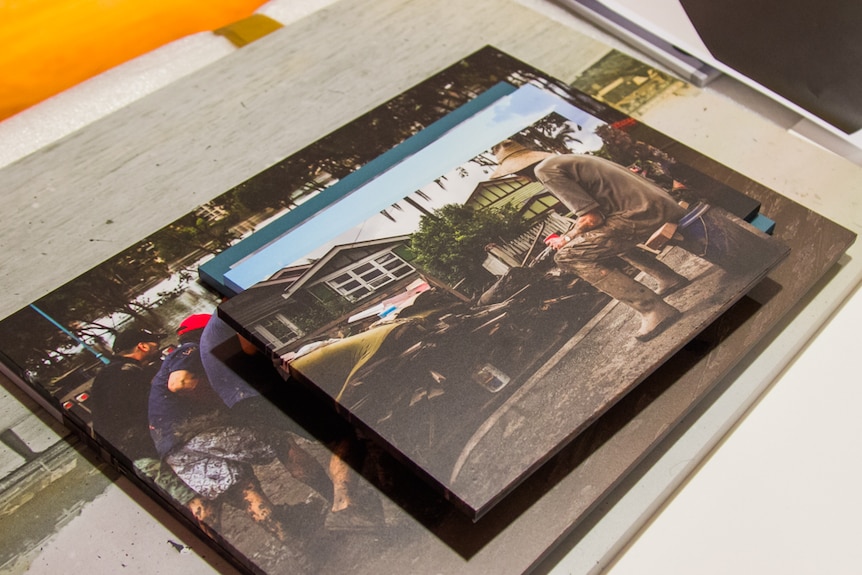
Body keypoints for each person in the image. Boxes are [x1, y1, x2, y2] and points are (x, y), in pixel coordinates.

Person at [490, 139, 690, 341]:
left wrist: (566, 239)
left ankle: (653, 309)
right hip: (660, 204)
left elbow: (591, 218)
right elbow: (596, 215)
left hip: (643, 214)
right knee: (599, 239)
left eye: (515, 173)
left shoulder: (545, 172)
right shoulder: (562, 161)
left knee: (569, 256)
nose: (519, 178)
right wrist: (572, 234)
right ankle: (666, 278)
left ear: (520, 169)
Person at [89, 327, 164, 461]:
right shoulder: (125, 373)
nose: (158, 348)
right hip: (135, 449)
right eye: (155, 344)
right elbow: (146, 409)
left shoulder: (113, 371)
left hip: (118, 446)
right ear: (143, 346)